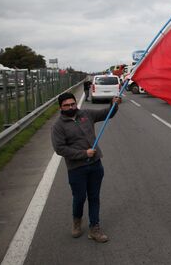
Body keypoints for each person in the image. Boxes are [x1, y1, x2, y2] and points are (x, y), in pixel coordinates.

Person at [51, 92, 121, 243]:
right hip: (76, 169)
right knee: (80, 198)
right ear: (60, 108)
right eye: (67, 105)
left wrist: (113, 105)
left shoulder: (86, 114)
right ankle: (77, 221)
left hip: (95, 165)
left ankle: (94, 228)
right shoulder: (58, 126)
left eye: (73, 104)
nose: (71, 107)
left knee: (94, 197)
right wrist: (84, 153)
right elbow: (60, 149)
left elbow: (106, 114)